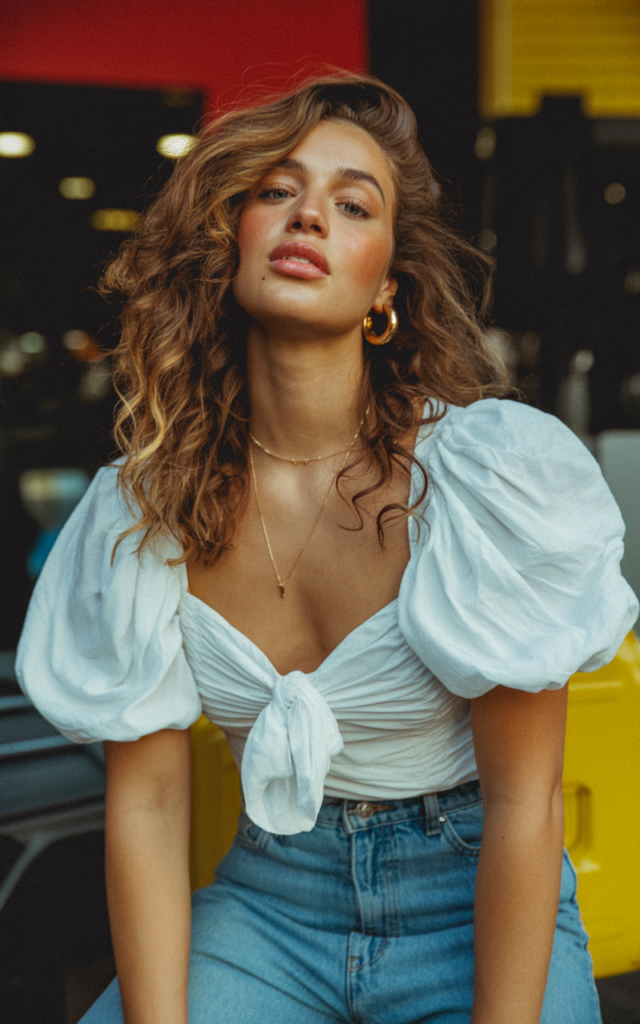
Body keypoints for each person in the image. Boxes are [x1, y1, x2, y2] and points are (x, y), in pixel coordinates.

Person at [16, 74, 637, 1024]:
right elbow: (145, 809)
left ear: (386, 283)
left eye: (353, 204)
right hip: (270, 904)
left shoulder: (486, 478)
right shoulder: (141, 510)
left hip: (473, 900)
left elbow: (527, 803)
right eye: (277, 190)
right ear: (230, 241)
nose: (309, 213)